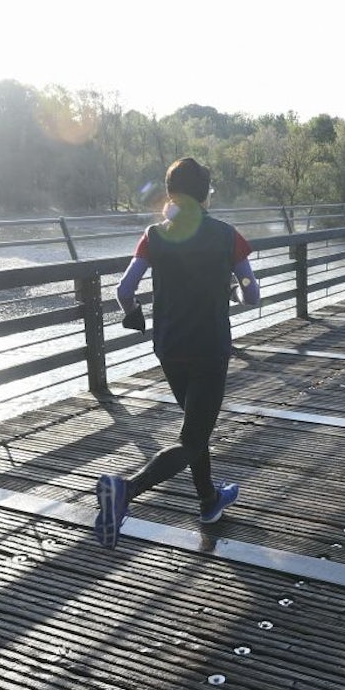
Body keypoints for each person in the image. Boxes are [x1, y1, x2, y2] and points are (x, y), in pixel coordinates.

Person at [94, 157, 261, 550]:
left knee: (195, 428)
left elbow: (123, 291)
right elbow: (251, 293)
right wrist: (236, 294)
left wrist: (133, 315)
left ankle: (208, 501)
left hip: (169, 347)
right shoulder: (227, 235)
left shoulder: (153, 235)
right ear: (206, 194)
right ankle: (126, 490)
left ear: (171, 193)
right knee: (193, 436)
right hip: (209, 347)